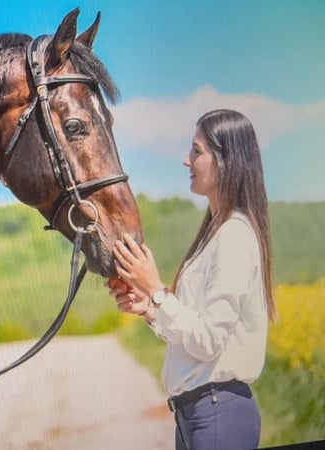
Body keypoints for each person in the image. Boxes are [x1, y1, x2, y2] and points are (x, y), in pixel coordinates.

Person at [107, 109, 277, 450]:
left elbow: (208, 341)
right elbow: (196, 334)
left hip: (217, 415)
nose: (187, 160)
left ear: (226, 161)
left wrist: (156, 291)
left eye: (197, 151)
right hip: (198, 415)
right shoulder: (215, 236)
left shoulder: (233, 236)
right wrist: (150, 308)